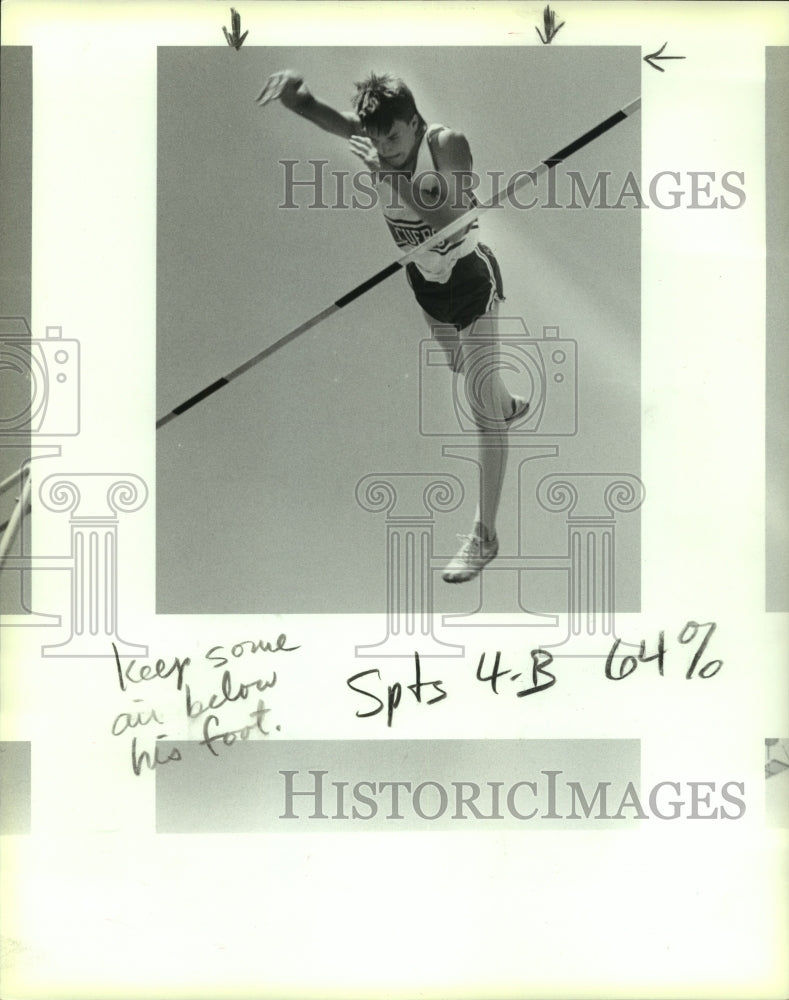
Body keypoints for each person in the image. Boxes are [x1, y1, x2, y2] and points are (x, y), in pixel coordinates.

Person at [256, 70, 528, 583]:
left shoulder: (444, 143)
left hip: (470, 277)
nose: (386, 148)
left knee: (480, 407)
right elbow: (324, 114)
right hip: (426, 285)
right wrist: (295, 96)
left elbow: (452, 216)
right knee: (464, 370)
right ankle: (506, 401)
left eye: (394, 138)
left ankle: (483, 535)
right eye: (377, 140)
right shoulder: (381, 145)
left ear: (414, 121)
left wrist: (390, 177)